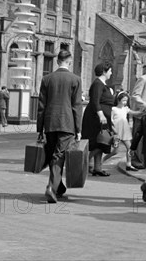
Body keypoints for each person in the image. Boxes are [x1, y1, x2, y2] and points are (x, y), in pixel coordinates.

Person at [37, 49, 82, 203]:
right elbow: (76, 106)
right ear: (69, 61)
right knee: (58, 156)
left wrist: (39, 129)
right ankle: (51, 187)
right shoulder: (75, 79)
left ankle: (59, 187)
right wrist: (78, 129)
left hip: (50, 123)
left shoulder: (46, 79)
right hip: (67, 123)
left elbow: (41, 106)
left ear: (57, 61)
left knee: (52, 155)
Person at [81, 62, 115, 177]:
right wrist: (101, 115)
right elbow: (95, 101)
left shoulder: (103, 84)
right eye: (110, 70)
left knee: (101, 142)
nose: (111, 73)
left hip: (102, 118)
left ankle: (97, 168)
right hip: (96, 119)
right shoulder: (98, 84)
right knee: (98, 142)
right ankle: (83, 163)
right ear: (104, 71)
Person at [105, 91, 144, 170]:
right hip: (117, 131)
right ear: (118, 100)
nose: (125, 102)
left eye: (126, 100)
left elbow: (135, 113)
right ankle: (102, 160)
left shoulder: (125, 109)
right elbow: (110, 121)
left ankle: (128, 164)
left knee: (129, 148)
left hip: (125, 130)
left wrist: (143, 111)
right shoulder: (113, 109)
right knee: (115, 151)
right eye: (123, 100)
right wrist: (113, 130)